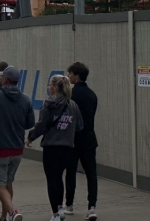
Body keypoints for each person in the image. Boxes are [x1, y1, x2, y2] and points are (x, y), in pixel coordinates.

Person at [27, 75, 83, 221]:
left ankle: (55, 214)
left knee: (51, 180)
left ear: (55, 87)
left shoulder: (49, 104)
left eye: (50, 85)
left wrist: (30, 137)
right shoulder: (73, 105)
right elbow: (79, 126)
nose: (48, 88)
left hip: (51, 147)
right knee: (59, 178)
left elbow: (42, 125)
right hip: (67, 147)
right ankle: (60, 208)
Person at [0, 66, 34, 221]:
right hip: (17, 148)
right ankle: (4, 216)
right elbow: (29, 122)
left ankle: (12, 212)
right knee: (8, 182)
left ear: (4, 79)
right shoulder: (25, 99)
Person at [64, 62, 98, 220]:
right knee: (91, 173)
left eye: (70, 73)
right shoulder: (92, 95)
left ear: (76, 75)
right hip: (90, 139)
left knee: (70, 172)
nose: (68, 76)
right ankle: (91, 207)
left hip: (73, 139)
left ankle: (69, 204)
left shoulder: (70, 95)